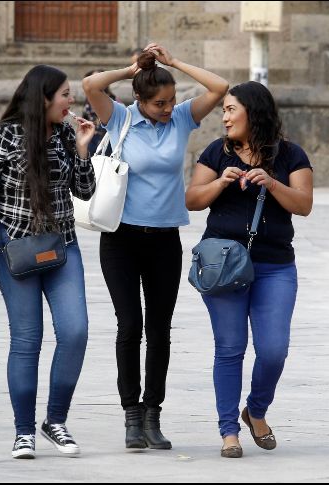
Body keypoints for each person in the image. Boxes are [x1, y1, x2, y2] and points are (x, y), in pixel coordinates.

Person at [82, 44, 228, 450]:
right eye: (159, 103)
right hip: (121, 239)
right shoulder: (121, 118)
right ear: (139, 99)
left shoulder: (181, 119)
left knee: (160, 330)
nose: (167, 108)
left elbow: (220, 87)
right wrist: (131, 68)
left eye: (171, 100)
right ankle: (131, 414)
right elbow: (90, 85)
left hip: (165, 240)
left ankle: (153, 414)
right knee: (130, 326)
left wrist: (174, 63)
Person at [0, 65, 97, 460]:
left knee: (75, 332)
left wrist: (83, 149)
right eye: (65, 94)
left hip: (61, 246)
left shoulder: (64, 135)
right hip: (14, 248)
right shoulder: (4, 135)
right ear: (44, 97)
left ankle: (55, 421)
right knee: (27, 339)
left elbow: (85, 192)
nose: (71, 101)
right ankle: (23, 432)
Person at [185, 81, 313, 458]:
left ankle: (255, 410)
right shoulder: (217, 152)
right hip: (223, 265)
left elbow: (304, 204)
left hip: (275, 266)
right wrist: (220, 183)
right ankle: (229, 431)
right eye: (223, 110)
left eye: (230, 110)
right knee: (230, 348)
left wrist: (271, 183)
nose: (224, 118)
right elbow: (192, 199)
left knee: (273, 350)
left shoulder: (291, 155)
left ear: (253, 112)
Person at [81, 69, 118, 155]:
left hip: (107, 138)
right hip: (91, 137)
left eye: (98, 78)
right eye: (93, 79)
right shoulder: (88, 99)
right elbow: (85, 116)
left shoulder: (112, 99)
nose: (95, 82)